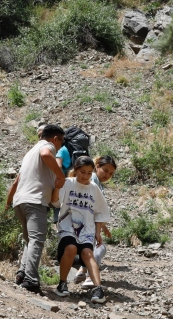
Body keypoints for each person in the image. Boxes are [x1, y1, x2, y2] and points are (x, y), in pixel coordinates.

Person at [6, 125, 66, 294]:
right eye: (62, 141)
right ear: (55, 138)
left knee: (30, 240)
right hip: (35, 201)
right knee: (37, 240)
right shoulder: (48, 147)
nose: (61, 145)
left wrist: (8, 202)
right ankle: (31, 279)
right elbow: (46, 154)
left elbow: (16, 181)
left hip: (20, 201)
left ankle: (22, 273)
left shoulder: (29, 153)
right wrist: (60, 175)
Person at [52, 155, 110, 304]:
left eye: (89, 173)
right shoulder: (68, 183)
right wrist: (57, 187)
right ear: (76, 170)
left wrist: (98, 232)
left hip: (87, 229)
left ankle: (98, 288)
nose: (86, 176)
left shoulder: (94, 188)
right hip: (67, 225)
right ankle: (62, 284)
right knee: (70, 248)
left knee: (87, 253)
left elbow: (100, 212)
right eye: (82, 172)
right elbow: (55, 202)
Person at [73, 154, 117, 287]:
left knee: (90, 247)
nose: (107, 175)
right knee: (96, 248)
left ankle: (83, 271)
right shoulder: (92, 179)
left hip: (87, 221)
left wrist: (104, 228)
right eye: (105, 170)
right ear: (97, 166)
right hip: (85, 221)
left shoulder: (97, 182)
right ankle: (89, 277)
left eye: (111, 173)